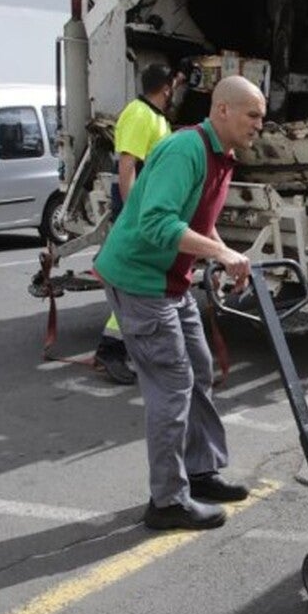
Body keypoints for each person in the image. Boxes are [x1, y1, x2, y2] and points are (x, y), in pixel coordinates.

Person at [95, 76, 265, 530]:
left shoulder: (221, 157)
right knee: (172, 386)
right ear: (223, 110)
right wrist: (220, 253)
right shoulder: (185, 150)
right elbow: (155, 223)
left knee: (199, 368)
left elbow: (199, 223)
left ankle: (200, 469)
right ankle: (167, 501)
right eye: (252, 115)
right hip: (140, 279)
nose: (259, 126)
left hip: (171, 281)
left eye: (262, 118)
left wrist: (225, 254)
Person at [93, 63, 178, 385]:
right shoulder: (139, 114)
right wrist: (134, 214)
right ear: (167, 88)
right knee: (133, 282)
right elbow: (126, 166)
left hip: (150, 208)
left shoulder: (156, 117)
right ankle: (111, 349)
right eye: (174, 87)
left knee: (142, 282)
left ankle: (129, 347)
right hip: (138, 211)